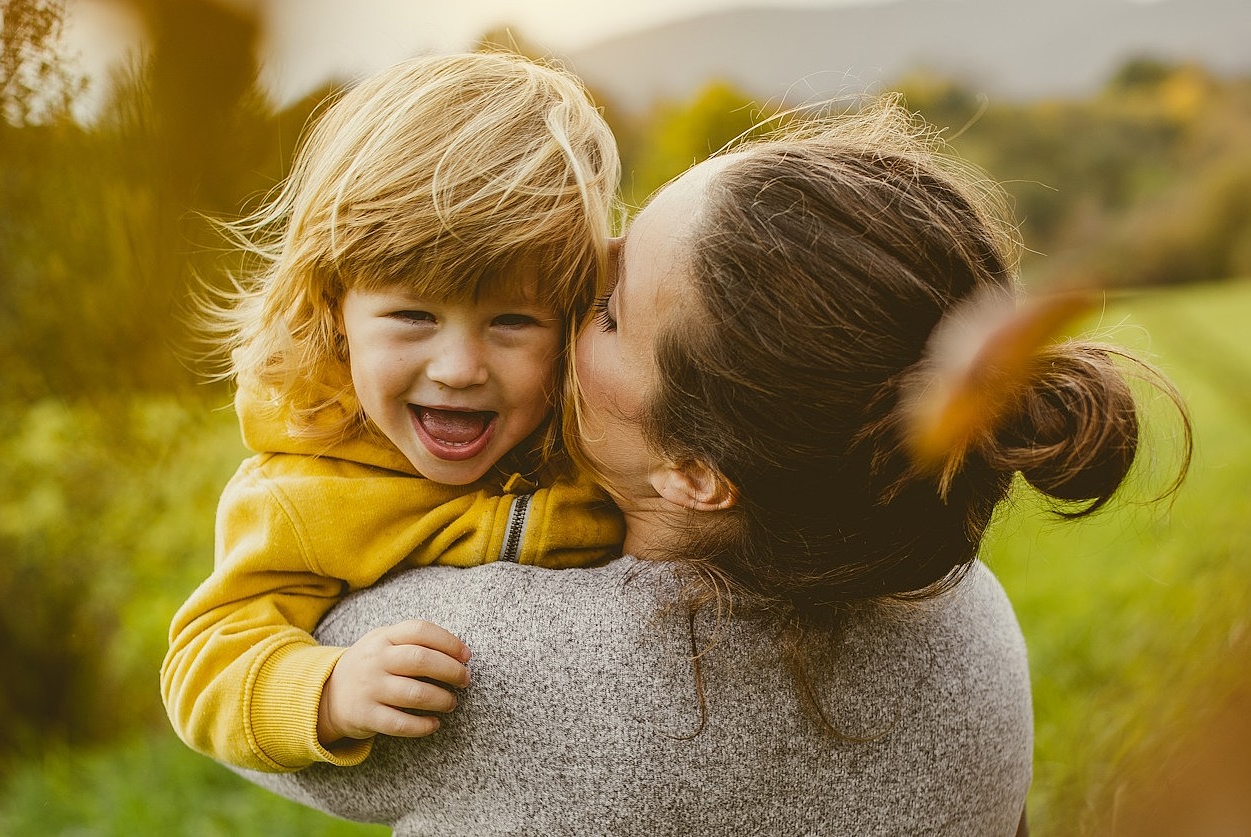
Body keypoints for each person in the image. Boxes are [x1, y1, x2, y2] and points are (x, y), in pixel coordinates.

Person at [238, 95, 1190, 834]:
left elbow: (241, 697)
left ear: (696, 470)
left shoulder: (473, 658)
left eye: (605, 310)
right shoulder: (967, 610)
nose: (571, 291)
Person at [160, 51, 626, 773]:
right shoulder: (302, 492)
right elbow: (204, 660)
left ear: (569, 322)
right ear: (334, 310)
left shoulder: (597, 428)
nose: (459, 368)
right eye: (413, 315)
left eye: (512, 322)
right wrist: (328, 690)